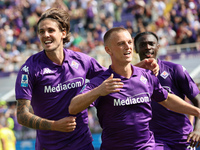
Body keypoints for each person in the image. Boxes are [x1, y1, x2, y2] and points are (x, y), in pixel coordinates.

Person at [15, 8, 160, 150]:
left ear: (63, 33)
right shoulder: (30, 68)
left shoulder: (81, 60)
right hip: (49, 145)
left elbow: (113, 75)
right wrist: (54, 125)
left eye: (51, 30)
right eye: (41, 31)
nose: (45, 35)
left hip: (82, 143)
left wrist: (138, 67)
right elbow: (22, 115)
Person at [69, 27, 200, 150]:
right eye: (121, 43)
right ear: (108, 50)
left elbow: (167, 99)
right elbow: (73, 106)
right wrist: (98, 91)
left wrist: (197, 112)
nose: (127, 47)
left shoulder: (146, 76)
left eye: (129, 42)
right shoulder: (101, 82)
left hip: (147, 146)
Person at [134, 31, 200, 150]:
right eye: (143, 44)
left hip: (182, 138)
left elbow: (198, 100)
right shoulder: (131, 77)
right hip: (153, 140)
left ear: (158, 47)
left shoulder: (175, 70)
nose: (147, 47)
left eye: (151, 44)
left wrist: (198, 129)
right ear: (136, 49)